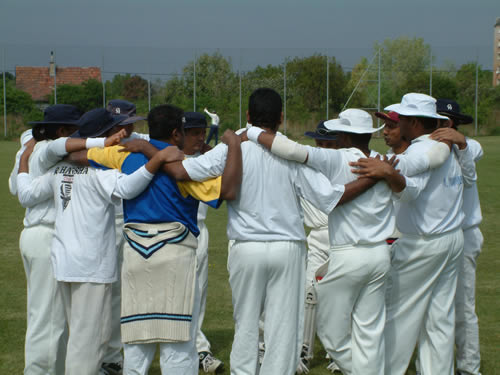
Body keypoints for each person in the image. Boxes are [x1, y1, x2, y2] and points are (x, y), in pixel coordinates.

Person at [178, 89, 375, 375]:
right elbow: (331, 198)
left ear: (247, 116)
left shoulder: (233, 147)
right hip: (287, 248)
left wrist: (154, 154)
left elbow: (188, 169)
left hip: (246, 247)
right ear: (281, 118)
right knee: (283, 328)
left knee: (245, 323)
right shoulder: (288, 150)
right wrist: (373, 177)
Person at [74, 104, 243, 375]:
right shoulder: (188, 169)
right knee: (179, 346)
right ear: (177, 134)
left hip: (135, 255)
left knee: (136, 343)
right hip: (176, 256)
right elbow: (228, 190)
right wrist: (234, 146)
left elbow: (79, 155)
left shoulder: (125, 154)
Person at [16, 107, 179, 375]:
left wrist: (24, 163)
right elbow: (127, 188)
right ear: (105, 135)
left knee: (77, 336)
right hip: (92, 266)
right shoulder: (98, 171)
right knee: (88, 342)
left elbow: (27, 194)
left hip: (64, 262)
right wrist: (155, 162)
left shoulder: (60, 169)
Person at [351, 93, 475, 375]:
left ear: (415, 123)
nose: (399, 123)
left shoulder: (422, 149)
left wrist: (387, 169)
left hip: (422, 243)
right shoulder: (449, 145)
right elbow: (469, 178)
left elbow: (409, 193)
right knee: (439, 320)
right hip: (452, 240)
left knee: (400, 316)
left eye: (403, 119)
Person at [9, 104, 85, 375]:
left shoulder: (30, 151)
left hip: (37, 235)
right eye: (77, 128)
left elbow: (13, 185)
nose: (81, 133)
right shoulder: (46, 150)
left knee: (50, 316)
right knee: (49, 318)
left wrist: (24, 155)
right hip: (47, 235)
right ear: (63, 131)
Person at [432, 99, 483, 375]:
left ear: (451, 124)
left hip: (465, 234)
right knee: (437, 307)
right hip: (439, 236)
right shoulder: (429, 148)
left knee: (463, 308)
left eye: (442, 123)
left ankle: (469, 368)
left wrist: (460, 144)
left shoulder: (470, 146)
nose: (438, 128)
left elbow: (471, 174)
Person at [101, 99, 150, 375]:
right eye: (120, 124)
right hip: (103, 222)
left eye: (129, 123)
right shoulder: (95, 140)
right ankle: (106, 354)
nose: (126, 128)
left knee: (125, 292)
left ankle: (115, 356)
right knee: (104, 293)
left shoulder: (140, 139)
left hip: (132, 222)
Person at [183, 112, 224, 373]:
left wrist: (207, 148)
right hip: (172, 232)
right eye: (194, 132)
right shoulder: (165, 156)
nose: (200, 137)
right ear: (179, 133)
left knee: (198, 294)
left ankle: (199, 349)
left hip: (199, 230)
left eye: (202, 131)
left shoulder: (208, 159)